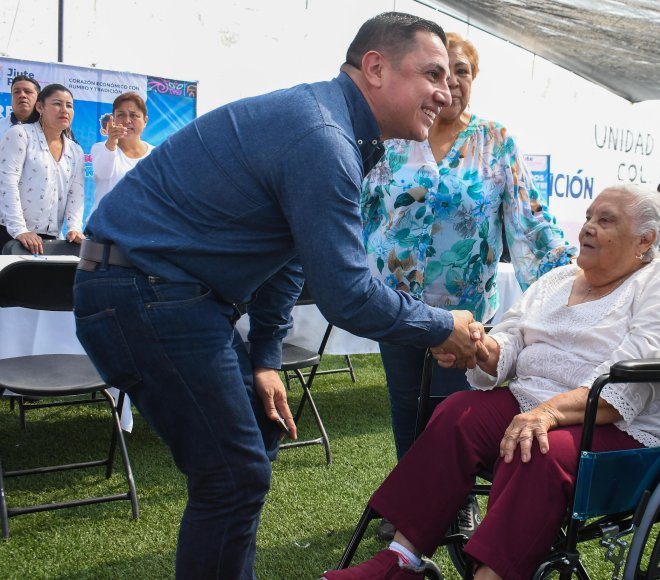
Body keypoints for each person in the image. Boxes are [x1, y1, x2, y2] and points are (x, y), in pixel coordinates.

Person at [73, 12, 486, 579]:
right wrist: (444, 327)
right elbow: (349, 295)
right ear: (375, 68)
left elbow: (287, 259)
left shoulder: (333, 126)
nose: (446, 93)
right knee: (233, 473)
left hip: (162, 294)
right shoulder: (324, 137)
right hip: (144, 292)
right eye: (433, 75)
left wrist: (266, 360)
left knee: (254, 441)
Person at [323, 185, 660, 580]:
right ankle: (401, 559)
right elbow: (514, 335)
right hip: (537, 405)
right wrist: (482, 348)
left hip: (624, 431)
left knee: (536, 447)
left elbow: (624, 391)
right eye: (589, 217)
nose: (587, 228)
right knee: (457, 414)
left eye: (605, 221)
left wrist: (547, 413)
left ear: (646, 241)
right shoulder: (560, 279)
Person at [360, 32, 576, 540]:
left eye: (462, 71)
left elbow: (530, 222)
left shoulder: (495, 141)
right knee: (404, 402)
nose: (450, 82)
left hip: (464, 314)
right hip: (394, 303)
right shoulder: (395, 135)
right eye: (438, 72)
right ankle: (410, 504)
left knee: (449, 409)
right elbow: (363, 211)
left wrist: (573, 276)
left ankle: (455, 506)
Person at [0, 83, 84, 253]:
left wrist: (74, 228)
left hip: (50, 239)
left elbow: (76, 193)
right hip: (11, 234)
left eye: (69, 106)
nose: (64, 110)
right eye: (57, 104)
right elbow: (7, 182)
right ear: (40, 107)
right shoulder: (20, 134)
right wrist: (20, 230)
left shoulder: (75, 150)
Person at [90, 92, 154, 209]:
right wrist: (111, 142)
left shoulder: (155, 154)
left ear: (145, 120)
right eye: (121, 115)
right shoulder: (100, 148)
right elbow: (103, 174)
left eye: (134, 115)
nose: (127, 120)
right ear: (113, 119)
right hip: (103, 225)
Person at [0, 75, 40, 140]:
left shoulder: (48, 128)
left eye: (27, 91)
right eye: (16, 92)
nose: (22, 95)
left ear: (38, 98)